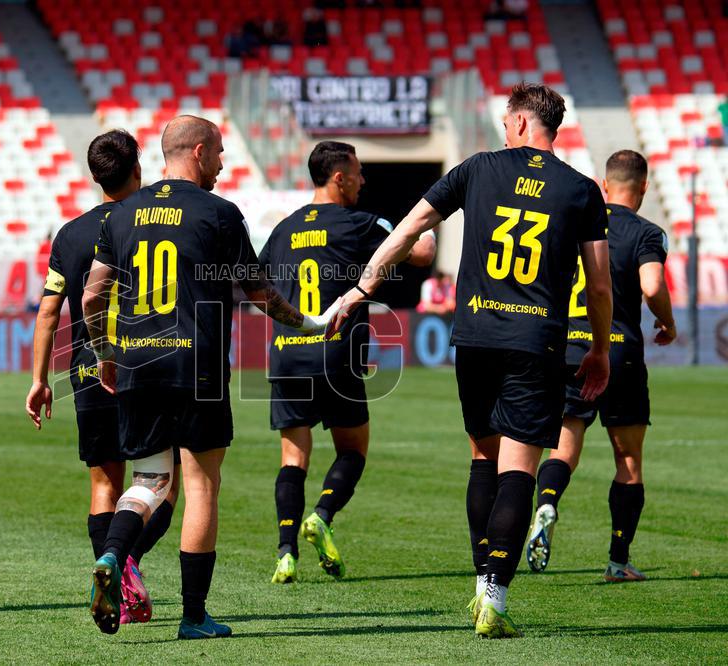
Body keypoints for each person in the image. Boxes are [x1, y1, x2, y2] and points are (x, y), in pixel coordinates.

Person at [322, 83, 613, 638]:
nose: (504, 127)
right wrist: (598, 348)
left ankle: (482, 586)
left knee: (482, 455)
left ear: (524, 124)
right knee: (518, 469)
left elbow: (410, 228)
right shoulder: (580, 190)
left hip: (475, 335)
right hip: (537, 341)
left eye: (508, 120)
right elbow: (598, 287)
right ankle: (495, 600)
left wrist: (362, 288)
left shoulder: (477, 168)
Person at [81, 115, 326, 639]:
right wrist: (312, 321)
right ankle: (193, 617)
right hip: (200, 370)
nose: (221, 163)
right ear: (196, 152)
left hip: (136, 365)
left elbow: (90, 295)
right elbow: (259, 292)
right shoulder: (218, 213)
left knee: (149, 481)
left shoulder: (120, 215)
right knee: (201, 484)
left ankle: (111, 554)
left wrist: (105, 352)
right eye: (217, 153)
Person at [258, 140, 435, 584]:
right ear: (339, 177)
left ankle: (285, 553)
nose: (363, 180)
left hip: (287, 354)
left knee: (292, 458)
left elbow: (256, 287)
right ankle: (321, 514)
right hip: (335, 353)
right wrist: (422, 224)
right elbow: (424, 253)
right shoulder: (360, 224)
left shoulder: (283, 230)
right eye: (357, 173)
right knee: (352, 451)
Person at [26, 130, 179, 625]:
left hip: (88, 369)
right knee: (163, 483)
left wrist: (39, 379)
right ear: (138, 167)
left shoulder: (69, 234)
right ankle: (126, 562)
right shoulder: (154, 224)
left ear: (95, 177)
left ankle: (109, 567)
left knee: (103, 483)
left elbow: (48, 313)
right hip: (146, 366)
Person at [526, 150, 674, 582]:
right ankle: (617, 560)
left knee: (564, 446)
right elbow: (652, 286)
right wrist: (668, 321)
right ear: (643, 187)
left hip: (571, 349)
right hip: (618, 352)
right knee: (627, 458)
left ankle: (548, 503)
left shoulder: (575, 226)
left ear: (604, 185)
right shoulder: (646, 232)